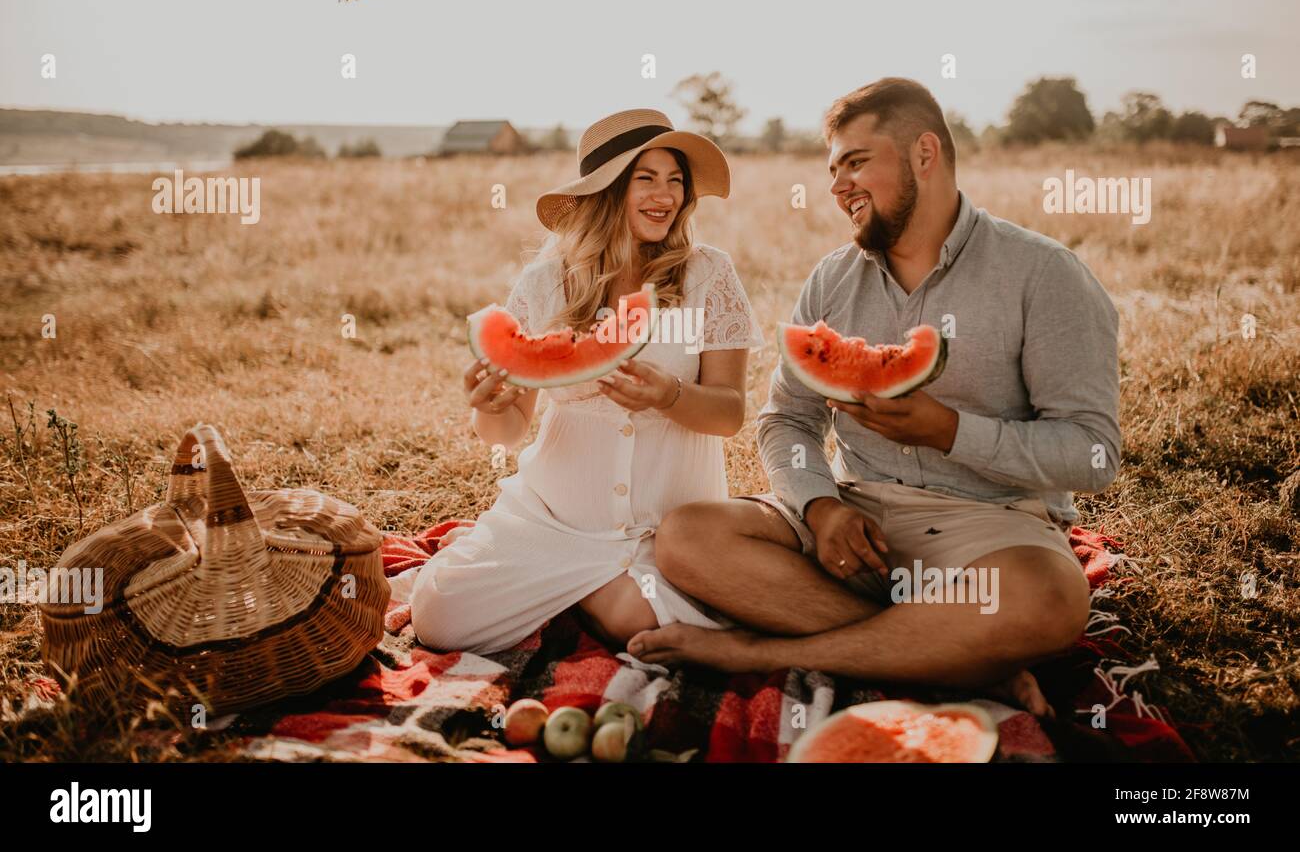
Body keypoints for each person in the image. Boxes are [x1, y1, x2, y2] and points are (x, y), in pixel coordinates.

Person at [627, 78, 1120, 718]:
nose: (837, 186)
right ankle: (954, 655)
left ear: (924, 153)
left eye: (856, 162)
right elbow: (786, 421)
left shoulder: (1044, 275)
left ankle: (756, 653)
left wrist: (948, 431)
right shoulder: (833, 278)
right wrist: (821, 505)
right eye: (833, 170)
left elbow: (1093, 454)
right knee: (687, 536)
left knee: (1052, 598)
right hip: (855, 519)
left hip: (991, 527)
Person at [409, 108, 765, 655]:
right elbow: (509, 430)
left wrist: (668, 396)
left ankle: (575, 594)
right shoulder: (546, 284)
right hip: (553, 522)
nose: (665, 194)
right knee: (438, 619)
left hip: (663, 532)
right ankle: (565, 580)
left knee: (660, 630)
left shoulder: (708, 276)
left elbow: (729, 414)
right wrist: (488, 405)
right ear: (607, 190)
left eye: (675, 180)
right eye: (645, 178)